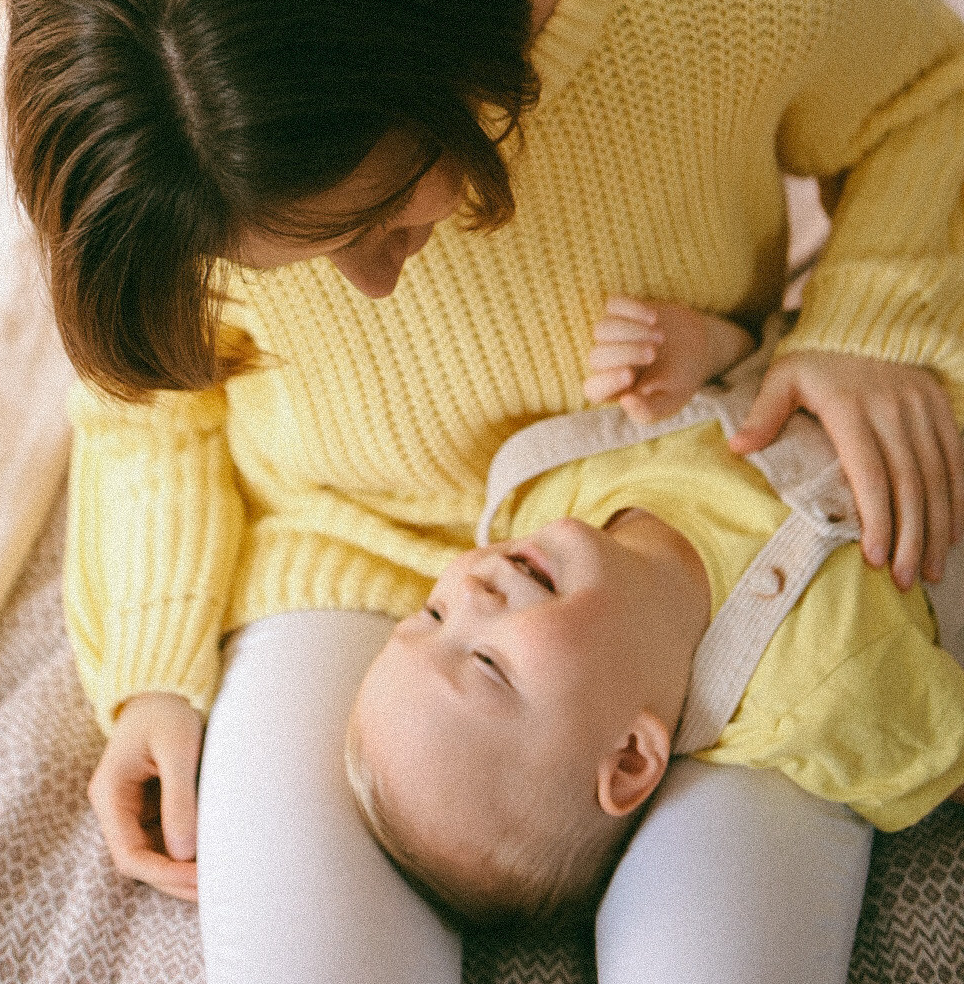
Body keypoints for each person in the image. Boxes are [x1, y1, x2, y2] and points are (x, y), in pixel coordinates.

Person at [4, 0, 964, 984]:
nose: (370, 284)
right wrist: (153, 674)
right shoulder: (170, 154)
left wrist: (865, 327)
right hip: (340, 551)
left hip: (682, 525)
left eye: (377, 218)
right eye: (298, 257)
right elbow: (146, 407)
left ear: (450, 56)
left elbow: (928, 91)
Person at [345, 295, 964, 928]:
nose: (473, 592)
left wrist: (711, 348)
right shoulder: (820, 692)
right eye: (487, 663)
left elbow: (771, 348)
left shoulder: (553, 483)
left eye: (433, 613)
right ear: (631, 759)